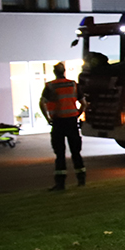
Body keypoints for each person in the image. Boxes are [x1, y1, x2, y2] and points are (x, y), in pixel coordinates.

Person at [40, 62, 87, 190]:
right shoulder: (73, 85)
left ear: (54, 72)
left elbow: (42, 103)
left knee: (60, 154)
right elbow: (84, 104)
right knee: (76, 153)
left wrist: (48, 118)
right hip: (72, 122)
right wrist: (77, 114)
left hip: (58, 123)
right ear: (64, 71)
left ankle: (60, 183)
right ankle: (81, 180)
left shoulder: (50, 86)